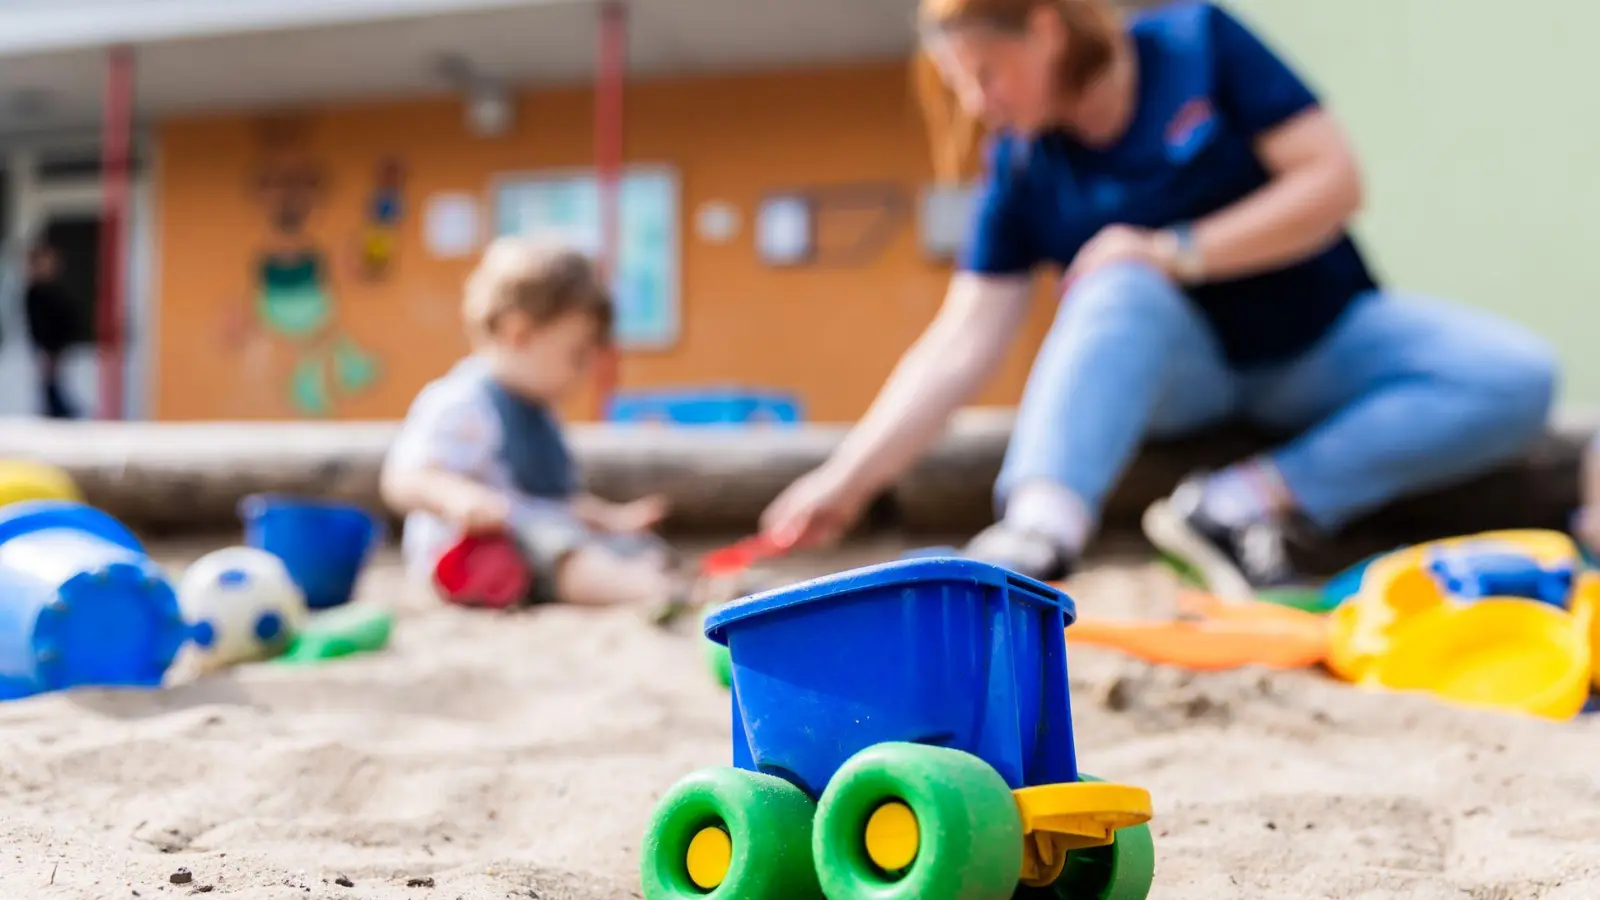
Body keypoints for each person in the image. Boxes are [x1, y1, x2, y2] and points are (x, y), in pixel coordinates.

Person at [761, 0, 1558, 599]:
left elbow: (1333, 180)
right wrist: (846, 480)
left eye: (984, 74)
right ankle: (1039, 528)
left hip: (1322, 337)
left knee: (1516, 374)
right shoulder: (1022, 165)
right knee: (1114, 282)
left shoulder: (1199, 44)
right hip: (1188, 380)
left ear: (1045, 27)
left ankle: (1244, 500)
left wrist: (1175, 249)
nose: (977, 103)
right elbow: (962, 339)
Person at [381, 237, 676, 608]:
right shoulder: (464, 401)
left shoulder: (540, 412)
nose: (581, 373)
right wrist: (457, 498)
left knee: (632, 546)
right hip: (470, 555)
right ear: (518, 334)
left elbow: (556, 501)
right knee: (559, 548)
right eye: (575, 355)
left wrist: (611, 519)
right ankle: (640, 589)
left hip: (541, 537)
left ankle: (639, 577)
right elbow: (404, 478)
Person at [23, 243, 82, 419]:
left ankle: (61, 415)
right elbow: (38, 323)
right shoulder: (35, 292)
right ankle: (58, 415)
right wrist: (44, 348)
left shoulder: (55, 291)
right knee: (49, 386)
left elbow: (68, 317)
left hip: (57, 345)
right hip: (46, 345)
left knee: (55, 384)